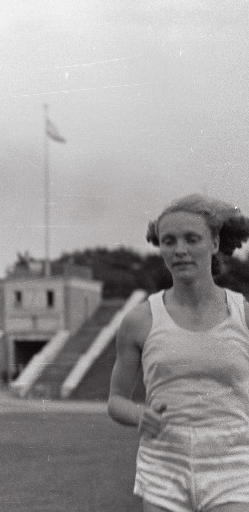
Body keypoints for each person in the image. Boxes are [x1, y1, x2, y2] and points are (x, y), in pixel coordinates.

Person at [108, 194, 249, 512]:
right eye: (168, 241)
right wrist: (139, 415)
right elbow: (116, 401)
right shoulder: (139, 320)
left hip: (233, 460)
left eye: (192, 238)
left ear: (213, 243)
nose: (180, 250)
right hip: (164, 461)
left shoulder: (244, 315)